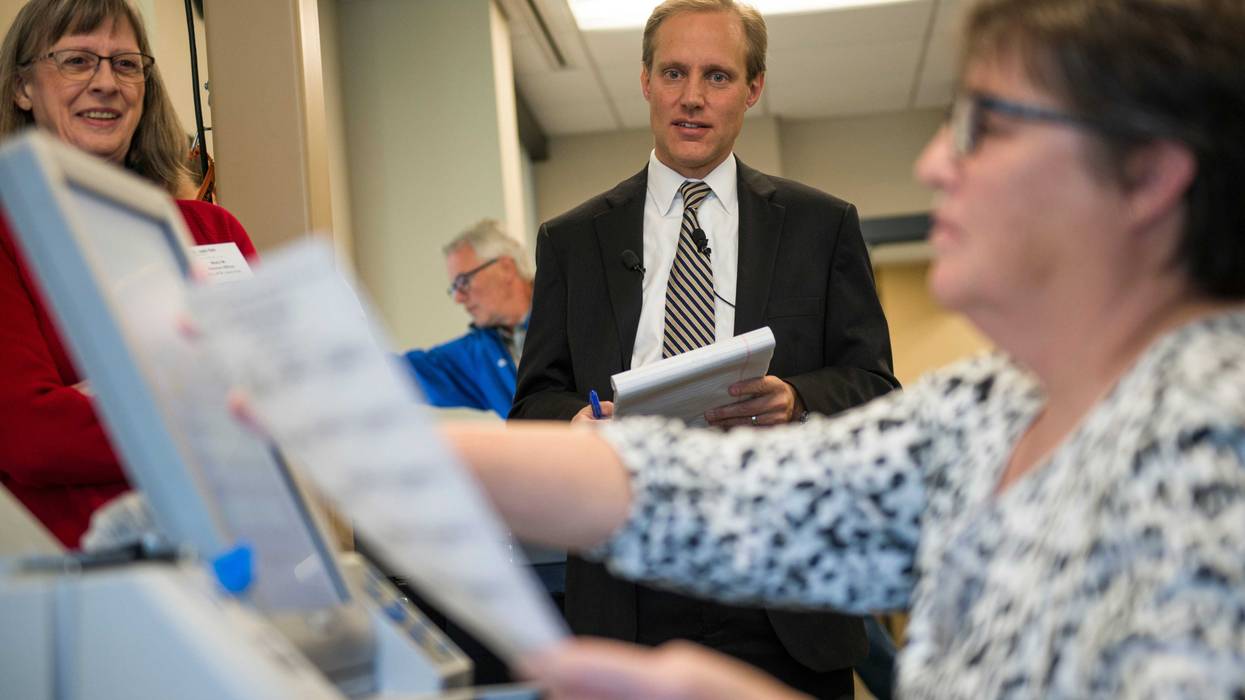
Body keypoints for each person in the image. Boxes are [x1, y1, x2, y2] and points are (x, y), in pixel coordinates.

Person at [448, 0, 1245, 696]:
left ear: (1145, 178)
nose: (935, 162)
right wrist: (386, 443)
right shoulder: (988, 407)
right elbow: (734, 500)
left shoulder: (1218, 443)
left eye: (987, 127)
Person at [509, 1, 898, 696]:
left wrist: (796, 398)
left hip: (778, 593)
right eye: (674, 73)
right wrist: (574, 424)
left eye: (717, 76)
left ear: (753, 88)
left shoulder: (820, 226)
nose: (691, 97)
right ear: (645, 81)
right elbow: (534, 401)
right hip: (630, 587)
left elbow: (872, 386)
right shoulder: (571, 241)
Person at [0, 0, 257, 549]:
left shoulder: (215, 232)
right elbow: (31, 436)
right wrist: (203, 406)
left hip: (239, 551)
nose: (105, 83)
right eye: (76, 61)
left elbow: (271, 403)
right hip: (88, 579)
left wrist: (111, 397)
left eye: (125, 63)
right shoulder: (6, 232)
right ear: (23, 88)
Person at [403, 219, 534, 418]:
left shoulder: (571, 310)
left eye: (463, 281)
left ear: (506, 268)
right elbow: (405, 373)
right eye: (454, 288)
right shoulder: (481, 353)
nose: (458, 298)